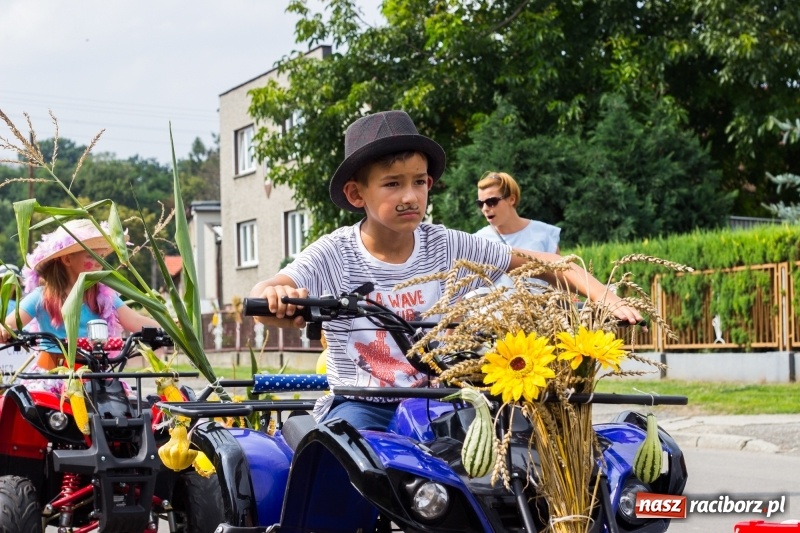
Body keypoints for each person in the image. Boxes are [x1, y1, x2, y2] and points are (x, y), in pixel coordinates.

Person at [249, 110, 642, 431]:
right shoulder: (335, 253)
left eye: (419, 182)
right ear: (357, 194)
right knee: (340, 460)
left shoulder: (448, 245)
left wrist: (607, 299)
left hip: (441, 399)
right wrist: (277, 297)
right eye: (392, 184)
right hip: (364, 402)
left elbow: (548, 264)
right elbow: (273, 289)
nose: (410, 196)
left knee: (509, 454)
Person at [0, 220, 159, 385]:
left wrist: (170, 328)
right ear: (68, 260)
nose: (100, 262)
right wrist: (5, 330)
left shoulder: (102, 295)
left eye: (102, 256)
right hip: (54, 375)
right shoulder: (42, 296)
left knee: (126, 406)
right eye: (92, 255)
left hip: (96, 376)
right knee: (39, 407)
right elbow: (9, 324)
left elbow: (134, 321)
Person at [474, 171, 560, 253]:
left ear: (512, 199)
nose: (485, 208)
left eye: (491, 201)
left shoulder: (544, 233)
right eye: (480, 203)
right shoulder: (477, 241)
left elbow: (560, 267)